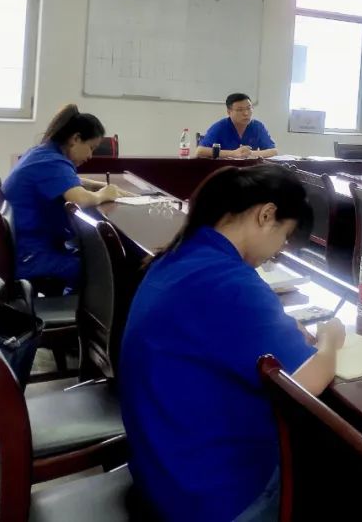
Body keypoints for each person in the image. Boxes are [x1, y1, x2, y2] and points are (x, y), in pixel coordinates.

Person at [120, 165, 345, 522]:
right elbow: (304, 384)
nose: (278, 251)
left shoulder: (179, 256)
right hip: (208, 496)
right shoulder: (230, 282)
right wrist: (331, 339)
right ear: (266, 215)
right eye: (284, 236)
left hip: (159, 469)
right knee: (337, 478)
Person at [2, 104, 127, 289]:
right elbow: (80, 199)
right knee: (104, 269)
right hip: (28, 257)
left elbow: (65, 180)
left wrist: (95, 185)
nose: (90, 156)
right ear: (76, 139)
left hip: (17, 249)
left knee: (93, 257)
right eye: (91, 148)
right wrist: (104, 194)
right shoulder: (52, 161)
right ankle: (83, 305)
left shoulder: (43, 152)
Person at [197, 93, 278, 159]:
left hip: (249, 170)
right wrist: (233, 153)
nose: (246, 113)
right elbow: (200, 151)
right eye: (240, 110)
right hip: (226, 169)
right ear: (229, 112)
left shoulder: (257, 126)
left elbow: (273, 151)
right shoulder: (220, 127)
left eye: (249, 108)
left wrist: (250, 153)